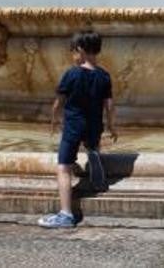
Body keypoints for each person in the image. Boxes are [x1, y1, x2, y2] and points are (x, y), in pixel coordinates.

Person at [39, 31, 118, 229]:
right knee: (92, 144)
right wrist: (112, 126)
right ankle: (93, 155)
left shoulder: (71, 73)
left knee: (63, 167)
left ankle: (66, 214)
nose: (73, 56)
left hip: (74, 125)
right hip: (94, 126)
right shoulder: (104, 76)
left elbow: (59, 102)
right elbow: (109, 105)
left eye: (73, 51)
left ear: (80, 50)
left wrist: (54, 120)